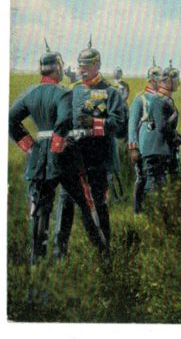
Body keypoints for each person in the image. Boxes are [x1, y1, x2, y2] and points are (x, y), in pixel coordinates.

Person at [9, 41, 107, 263]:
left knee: (40, 210)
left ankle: (37, 261)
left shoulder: (29, 94)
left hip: (39, 159)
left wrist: (30, 147)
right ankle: (102, 253)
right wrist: (57, 146)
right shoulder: (63, 94)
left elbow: (10, 120)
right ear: (58, 69)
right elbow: (64, 122)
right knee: (86, 203)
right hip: (64, 157)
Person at [53, 38, 126, 258]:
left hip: (98, 158)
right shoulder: (72, 91)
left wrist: (95, 124)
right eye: (80, 66)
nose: (82, 71)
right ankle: (59, 253)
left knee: (99, 204)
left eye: (87, 66)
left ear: (97, 65)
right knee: (66, 202)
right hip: (74, 158)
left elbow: (118, 124)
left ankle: (104, 252)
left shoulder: (111, 93)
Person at [127, 60, 163, 214]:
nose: (160, 82)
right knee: (142, 178)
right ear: (151, 80)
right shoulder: (140, 99)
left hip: (159, 145)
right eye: (158, 78)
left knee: (159, 178)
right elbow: (132, 125)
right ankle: (138, 211)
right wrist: (133, 147)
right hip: (143, 145)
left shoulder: (163, 99)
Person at [159, 61, 181, 180]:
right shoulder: (162, 100)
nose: (179, 83)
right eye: (177, 80)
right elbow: (162, 126)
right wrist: (174, 136)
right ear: (169, 81)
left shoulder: (166, 99)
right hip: (160, 148)